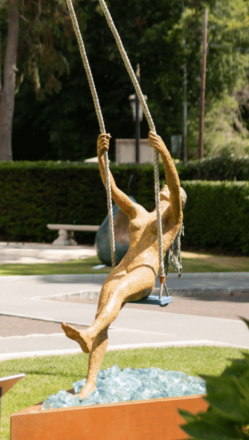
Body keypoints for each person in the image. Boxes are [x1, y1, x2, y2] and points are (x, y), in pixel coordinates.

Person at [61, 131, 185, 398]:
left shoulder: (173, 218)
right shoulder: (140, 212)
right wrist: (101, 156)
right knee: (103, 312)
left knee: (114, 296)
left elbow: (174, 187)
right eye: (163, 188)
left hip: (145, 273)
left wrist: (164, 153)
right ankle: (90, 383)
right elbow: (113, 189)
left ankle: (89, 334)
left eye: (171, 191)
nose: (165, 188)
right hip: (123, 268)